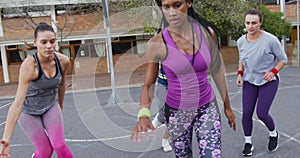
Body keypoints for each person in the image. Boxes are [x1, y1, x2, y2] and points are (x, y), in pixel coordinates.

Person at [131, 0, 236, 157]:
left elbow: (217, 71)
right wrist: (143, 113)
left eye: (177, 5)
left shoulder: (207, 34)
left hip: (207, 108)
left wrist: (227, 106)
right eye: (166, 7)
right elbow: (148, 84)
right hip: (176, 113)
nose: (172, 12)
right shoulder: (157, 44)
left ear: (189, 3)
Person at [0, 22, 73, 158]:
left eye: (52, 41)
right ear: (35, 43)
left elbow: (62, 85)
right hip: (28, 112)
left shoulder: (63, 61)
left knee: (60, 146)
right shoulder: (29, 66)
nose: (49, 46)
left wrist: (59, 107)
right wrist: (6, 139)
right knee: (45, 152)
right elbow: (17, 104)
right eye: (44, 42)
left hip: (50, 106)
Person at [236, 9, 288, 157]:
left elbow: (283, 59)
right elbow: (242, 59)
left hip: (268, 81)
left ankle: (273, 134)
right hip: (250, 81)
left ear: (260, 23)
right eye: (247, 23)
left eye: (254, 23)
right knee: (246, 114)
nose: (250, 26)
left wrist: (273, 72)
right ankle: (248, 143)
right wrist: (240, 73)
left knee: (262, 113)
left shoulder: (270, 40)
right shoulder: (241, 41)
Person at [151, 65, 172, 152]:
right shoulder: (163, 52)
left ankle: (165, 141)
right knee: (163, 113)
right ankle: (159, 117)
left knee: (171, 116)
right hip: (162, 84)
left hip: (176, 85)